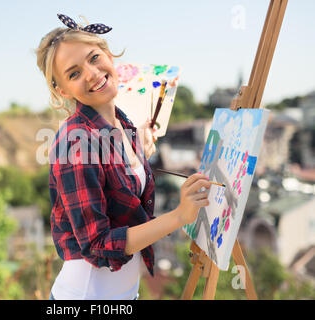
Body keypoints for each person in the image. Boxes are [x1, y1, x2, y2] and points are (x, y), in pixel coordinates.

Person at [35, 14, 211, 300]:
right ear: (62, 90)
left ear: (107, 54)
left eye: (94, 58)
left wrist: (137, 149)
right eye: (74, 73)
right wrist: (179, 216)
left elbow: (117, 178)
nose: (92, 73)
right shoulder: (75, 144)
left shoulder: (123, 124)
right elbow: (97, 245)